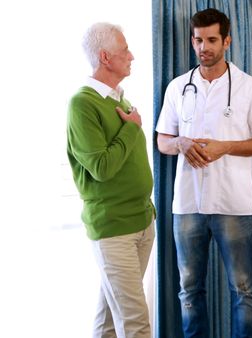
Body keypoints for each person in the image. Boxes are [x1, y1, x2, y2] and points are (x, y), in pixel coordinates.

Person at [155, 8, 252, 338]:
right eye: (198, 40)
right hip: (187, 205)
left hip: (232, 205)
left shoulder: (250, 88)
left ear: (227, 40)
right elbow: (162, 141)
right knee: (189, 291)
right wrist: (180, 142)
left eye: (211, 40)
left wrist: (225, 147)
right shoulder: (178, 87)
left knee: (243, 290)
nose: (203, 47)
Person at [67, 22, 155, 338]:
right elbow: (101, 166)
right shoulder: (83, 104)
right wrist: (132, 127)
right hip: (114, 228)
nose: (131, 56)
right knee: (136, 323)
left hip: (142, 222)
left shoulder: (120, 99)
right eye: (124, 50)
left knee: (109, 321)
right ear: (105, 57)